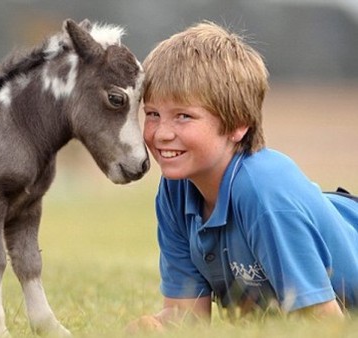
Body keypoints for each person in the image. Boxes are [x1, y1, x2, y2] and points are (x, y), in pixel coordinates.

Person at [128, 21, 358, 332]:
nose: (161, 133)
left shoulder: (264, 193)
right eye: (152, 113)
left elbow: (326, 326)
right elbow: (189, 319)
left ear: (238, 124)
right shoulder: (176, 188)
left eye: (184, 116)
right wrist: (152, 328)